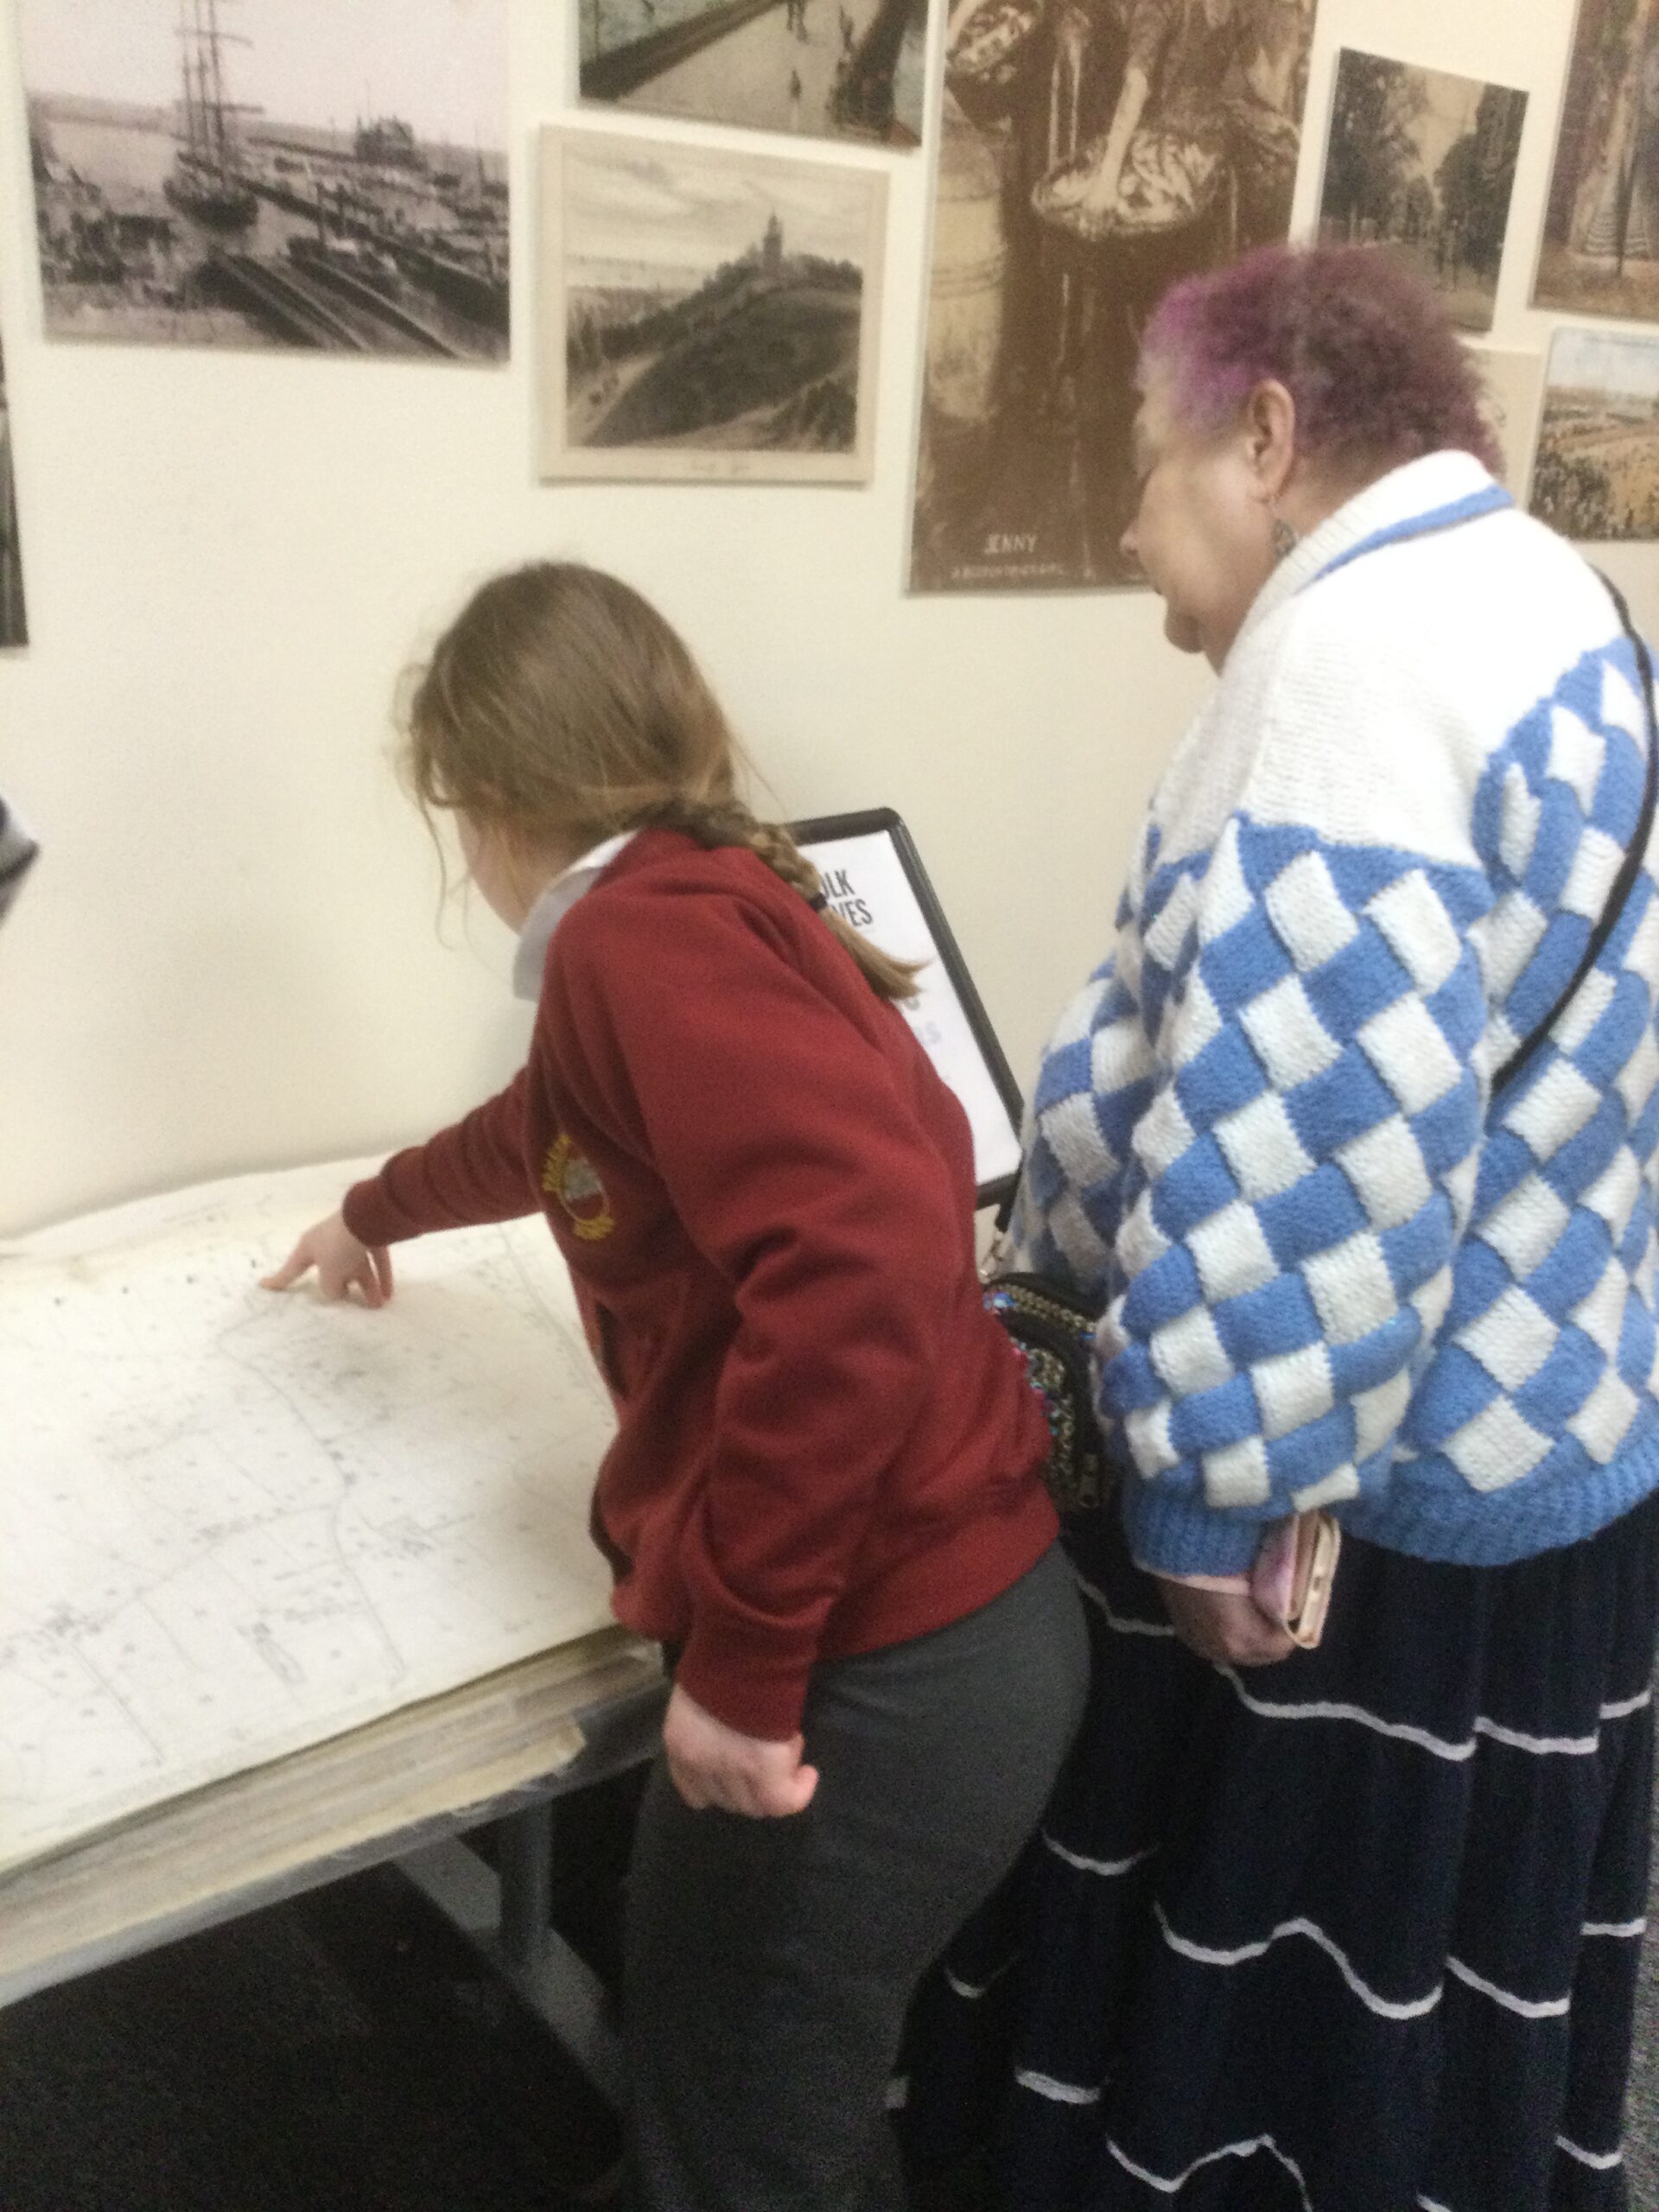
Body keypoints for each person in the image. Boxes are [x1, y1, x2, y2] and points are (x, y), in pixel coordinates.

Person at [906, 244, 1659, 2211]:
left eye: (1151, 466)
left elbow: (1328, 1138)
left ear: (1269, 438)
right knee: (1439, 1995)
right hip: (1550, 1441)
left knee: (1260, 2003)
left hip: (1349, 1521)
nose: (1129, 525)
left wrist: (1217, 1497)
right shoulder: (1556, 591)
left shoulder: (1351, 667)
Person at [263, 562, 1089, 2212]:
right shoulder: (703, 902)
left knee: (739, 2123)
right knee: (765, 2085)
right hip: (969, 1634)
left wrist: (751, 1668)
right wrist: (374, 1209)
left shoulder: (641, 942)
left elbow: (853, 1264)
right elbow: (555, 1133)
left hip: (880, 1670)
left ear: (486, 802)